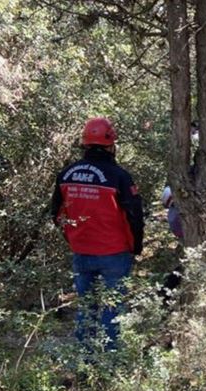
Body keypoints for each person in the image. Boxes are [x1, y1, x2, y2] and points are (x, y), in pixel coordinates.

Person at [50, 117, 144, 349]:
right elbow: (134, 216)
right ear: (111, 145)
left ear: (85, 144)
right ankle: (109, 363)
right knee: (112, 310)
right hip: (115, 252)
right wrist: (137, 247)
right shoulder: (119, 176)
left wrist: (73, 238)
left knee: (86, 307)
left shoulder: (67, 173)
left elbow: (57, 214)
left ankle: (85, 361)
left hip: (81, 252)